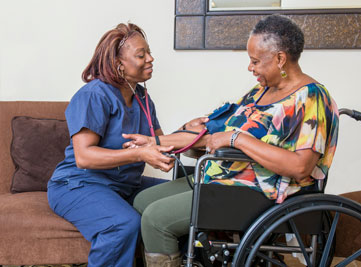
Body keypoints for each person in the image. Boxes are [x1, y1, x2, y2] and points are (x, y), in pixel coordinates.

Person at [125, 15, 339, 266]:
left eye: (255, 61)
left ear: (280, 58)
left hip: (261, 192)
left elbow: (300, 166)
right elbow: (212, 132)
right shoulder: (260, 92)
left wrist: (236, 139)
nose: (251, 68)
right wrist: (154, 141)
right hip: (224, 178)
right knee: (142, 201)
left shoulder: (311, 98)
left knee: (155, 219)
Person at [47, 23, 175, 267]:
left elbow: (160, 142)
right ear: (119, 64)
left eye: (149, 52)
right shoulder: (94, 95)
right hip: (77, 185)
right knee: (123, 224)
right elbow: (84, 157)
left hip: (122, 185)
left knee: (174, 201)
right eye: (141, 55)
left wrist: (193, 133)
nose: (151, 58)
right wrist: (139, 154)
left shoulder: (143, 99)